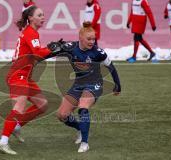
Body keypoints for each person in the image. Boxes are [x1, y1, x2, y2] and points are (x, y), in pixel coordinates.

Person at [48, 22, 121, 153]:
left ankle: (85, 143)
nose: (92, 41)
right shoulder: (70, 47)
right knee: (61, 115)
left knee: (83, 107)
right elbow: (51, 53)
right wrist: (47, 52)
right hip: (78, 84)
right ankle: (80, 129)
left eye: (94, 38)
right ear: (80, 37)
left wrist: (118, 85)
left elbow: (111, 67)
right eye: (89, 39)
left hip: (94, 84)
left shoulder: (98, 52)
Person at [0, 6, 58, 155]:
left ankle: (16, 126)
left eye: (43, 15)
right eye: (39, 15)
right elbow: (38, 52)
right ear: (30, 18)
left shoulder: (32, 33)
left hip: (25, 77)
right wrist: (53, 48)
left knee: (42, 104)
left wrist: (54, 49)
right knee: (19, 108)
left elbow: (37, 55)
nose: (43, 17)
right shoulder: (31, 33)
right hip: (17, 76)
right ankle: (3, 142)